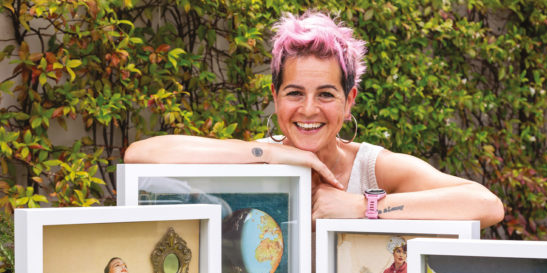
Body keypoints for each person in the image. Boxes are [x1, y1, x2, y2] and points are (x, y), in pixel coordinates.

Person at [123, 11, 504, 228]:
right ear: (275, 98)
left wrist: (363, 208)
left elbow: (485, 204)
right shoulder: (261, 158)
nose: (308, 110)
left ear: (349, 101)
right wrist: (270, 155)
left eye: (326, 94)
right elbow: (140, 155)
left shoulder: (372, 169)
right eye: (294, 93)